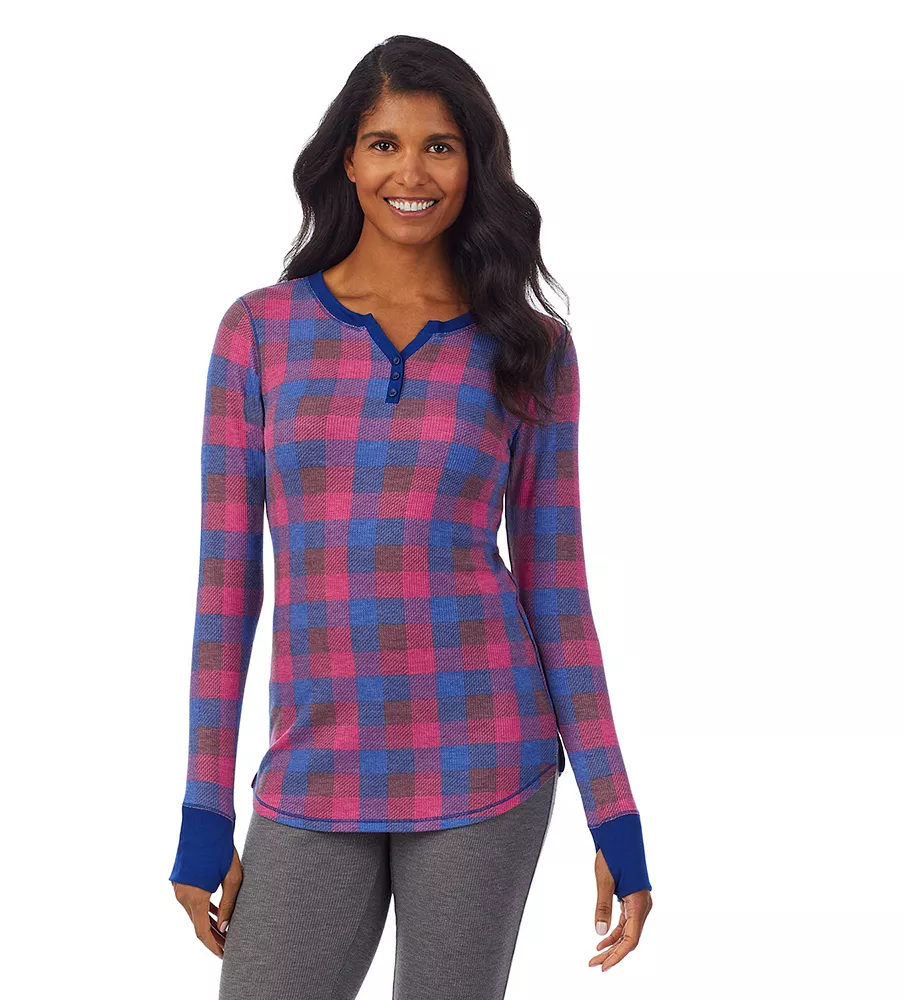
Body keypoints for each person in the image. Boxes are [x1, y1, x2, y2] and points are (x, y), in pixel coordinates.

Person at [169, 34, 653, 998]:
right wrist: (203, 809)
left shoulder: (528, 347)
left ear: (475, 164)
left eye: (440, 146)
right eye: (384, 144)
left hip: (487, 758)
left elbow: (557, 589)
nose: (412, 172)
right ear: (347, 161)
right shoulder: (260, 332)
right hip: (314, 768)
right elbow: (227, 588)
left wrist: (616, 816)